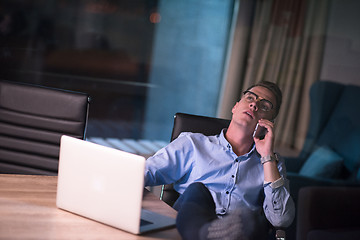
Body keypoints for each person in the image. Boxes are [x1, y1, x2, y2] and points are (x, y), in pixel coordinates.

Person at [145, 81, 295, 240]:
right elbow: (144, 173)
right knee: (197, 190)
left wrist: (267, 157)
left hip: (236, 232)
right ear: (235, 107)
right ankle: (205, 232)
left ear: (269, 124)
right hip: (189, 224)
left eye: (264, 106)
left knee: (249, 219)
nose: (254, 105)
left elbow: (281, 220)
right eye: (250, 98)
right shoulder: (192, 143)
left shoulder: (272, 164)